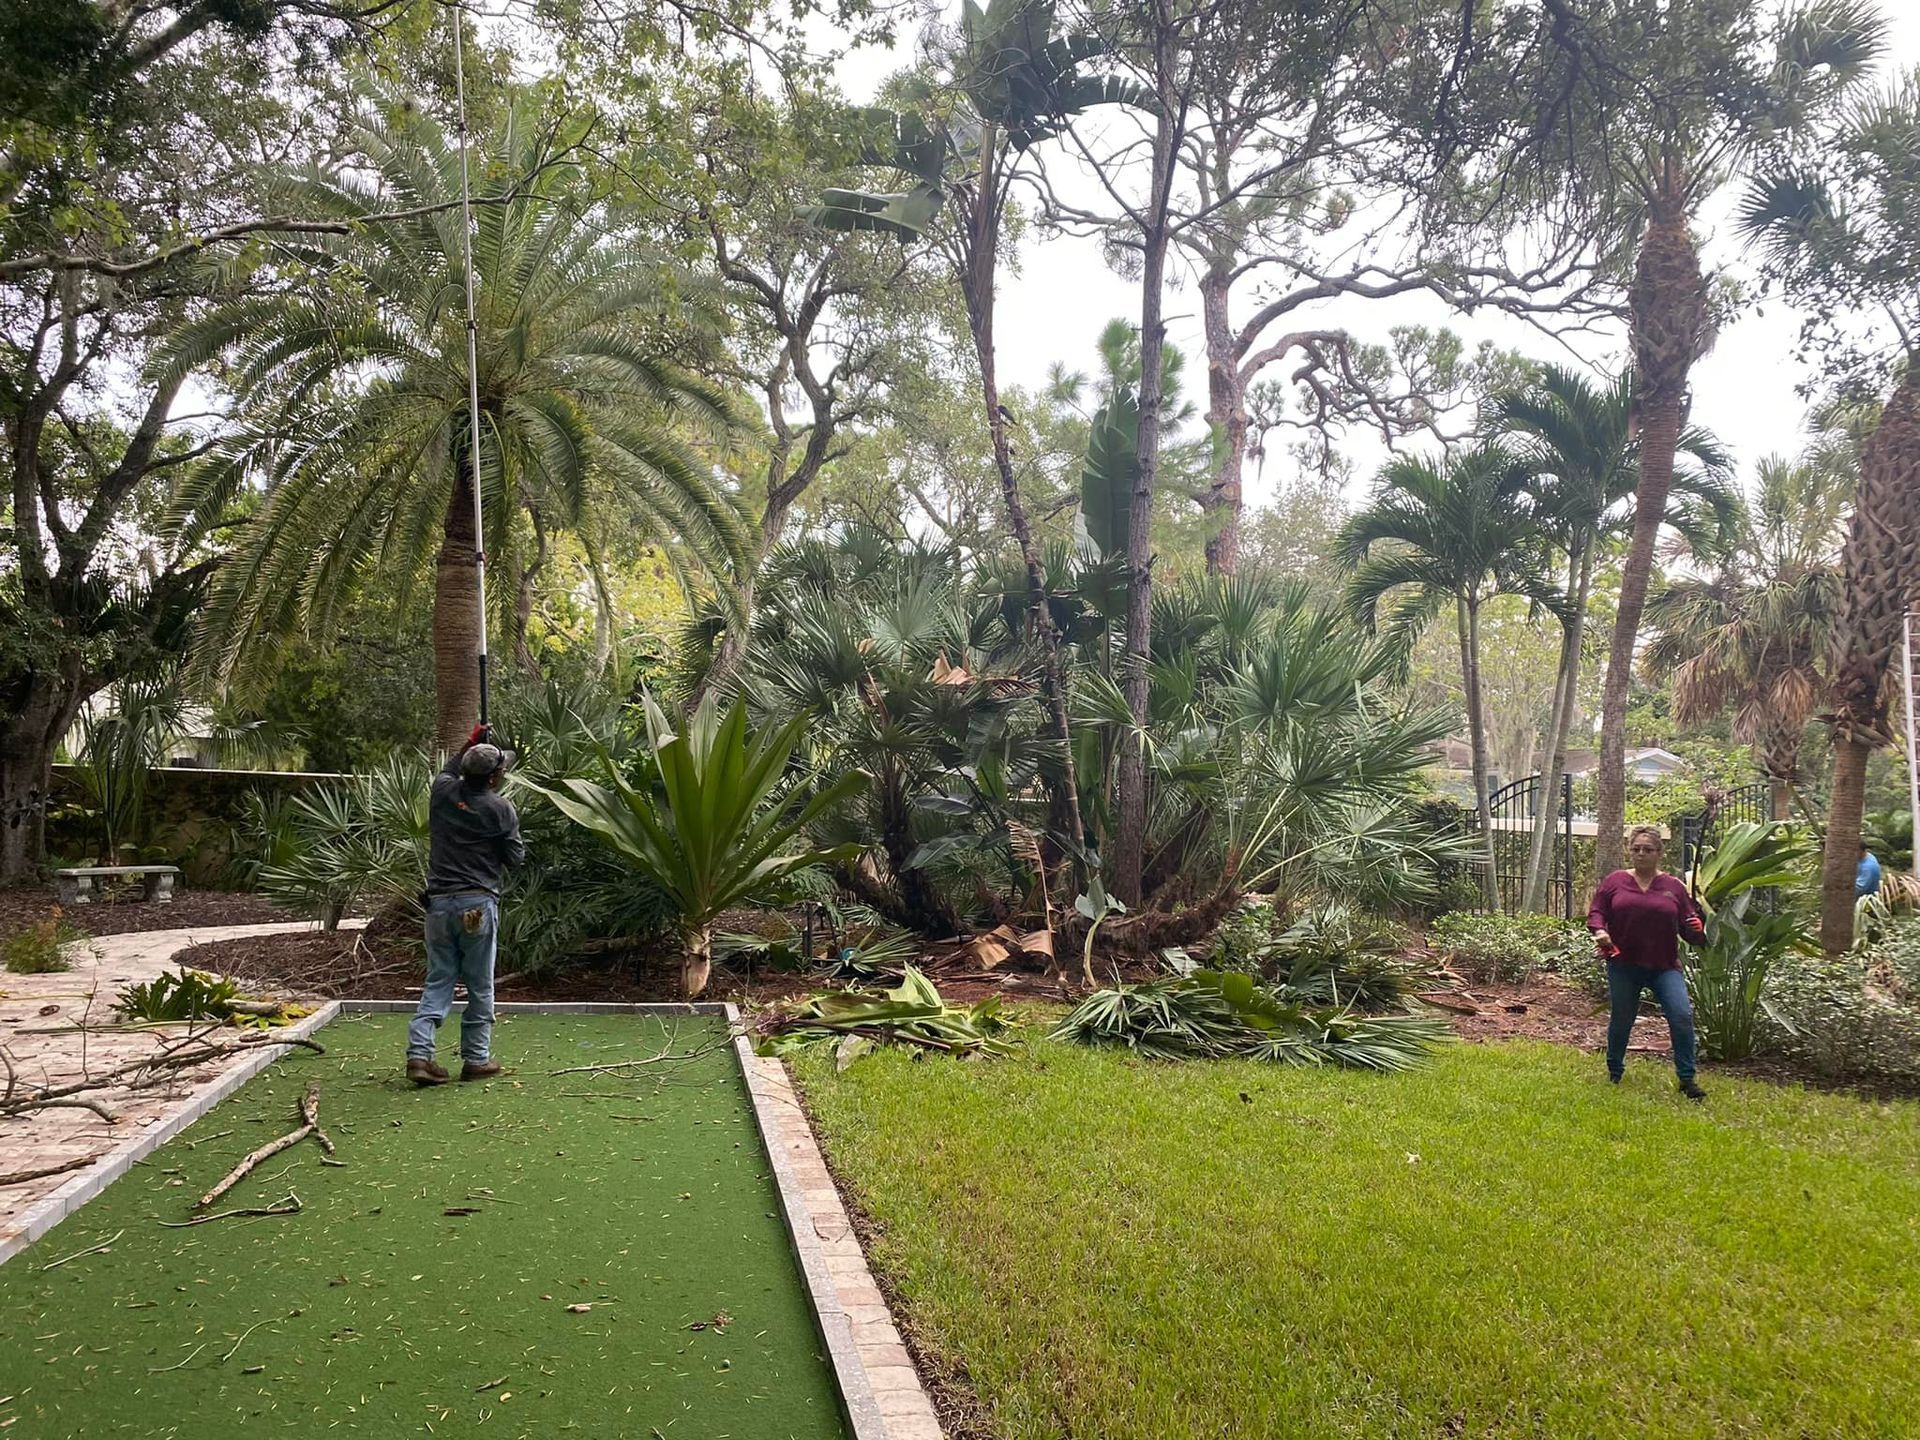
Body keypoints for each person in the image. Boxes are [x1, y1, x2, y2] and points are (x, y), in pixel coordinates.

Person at [407, 724, 525, 1086]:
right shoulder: (500, 809)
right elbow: (515, 858)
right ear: (494, 777)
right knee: (479, 982)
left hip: (439, 904)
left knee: (439, 978)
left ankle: (419, 1054)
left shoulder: (442, 792)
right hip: (477, 904)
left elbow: (449, 768)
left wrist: (470, 743)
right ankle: (476, 1058)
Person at [1588, 824, 1709, 1100]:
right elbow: (1596, 912)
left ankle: (1687, 1079)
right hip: (1623, 964)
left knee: (1681, 1015)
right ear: (1630, 851)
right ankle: (1614, 1071)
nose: (1641, 854)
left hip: (1664, 967)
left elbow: (1690, 929)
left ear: (1659, 852)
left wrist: (1697, 930)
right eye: (1636, 849)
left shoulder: (1674, 887)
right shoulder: (1615, 881)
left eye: (1648, 849)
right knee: (1622, 1018)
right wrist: (1600, 932)